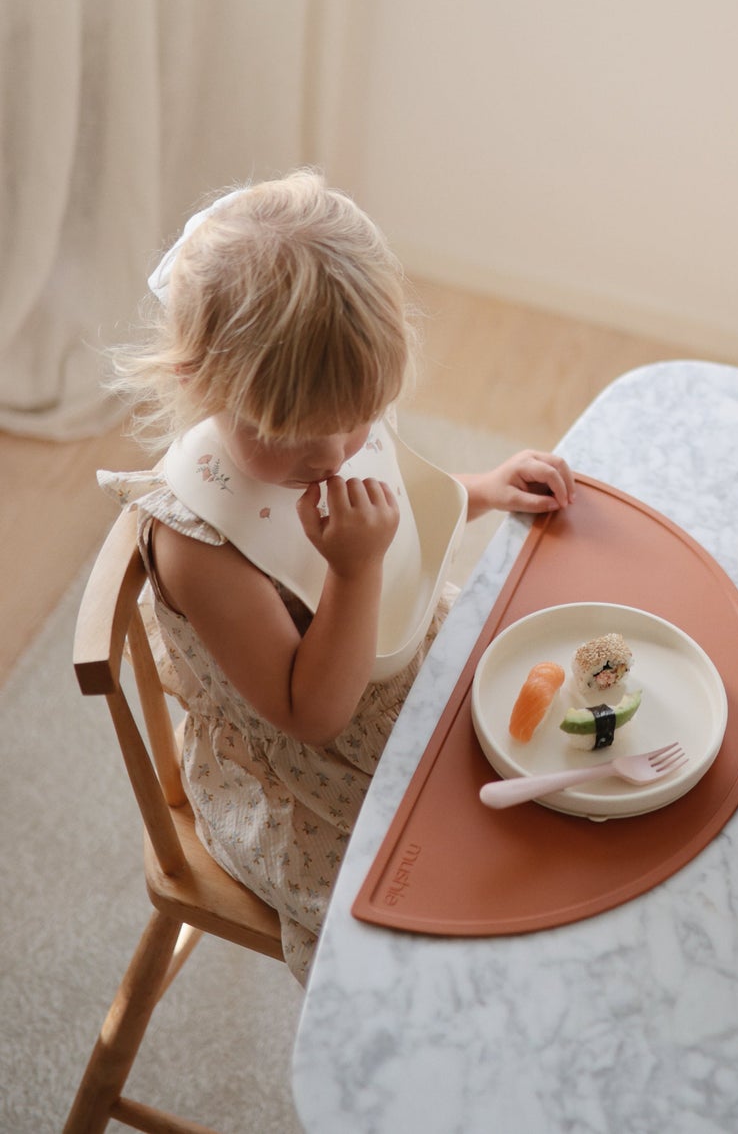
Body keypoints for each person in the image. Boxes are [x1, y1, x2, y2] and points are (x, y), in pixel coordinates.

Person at [101, 171, 575, 981]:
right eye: (291, 436)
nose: (330, 457)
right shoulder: (199, 545)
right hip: (306, 778)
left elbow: (386, 507)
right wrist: (353, 574)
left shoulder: (328, 414)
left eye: (354, 421)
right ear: (201, 381)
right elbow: (310, 712)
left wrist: (484, 488)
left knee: (550, 786)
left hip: (404, 656)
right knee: (424, 928)